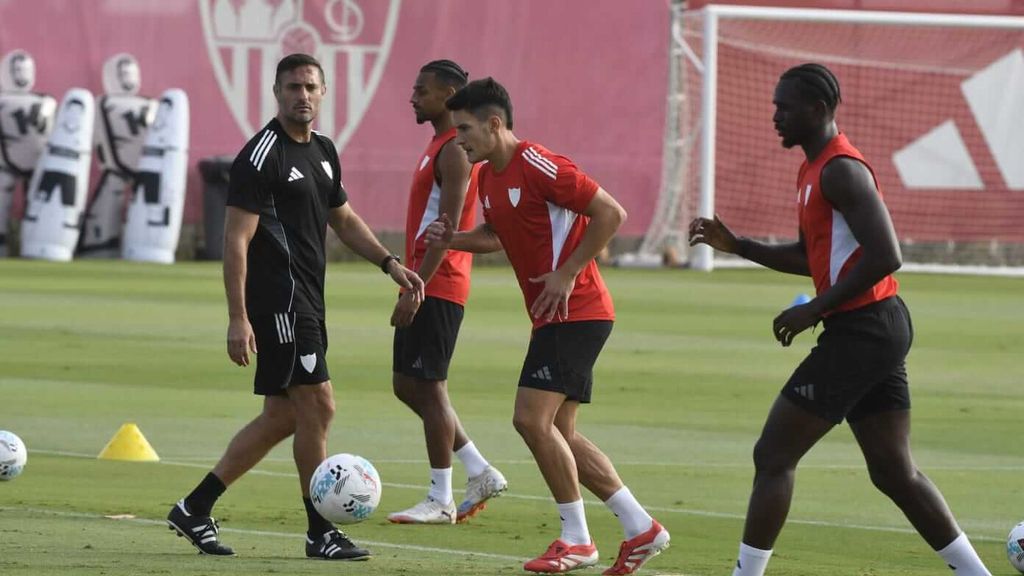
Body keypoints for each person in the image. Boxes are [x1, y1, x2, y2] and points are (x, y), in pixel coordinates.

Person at [688, 63, 992, 576]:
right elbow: (816, 256)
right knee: (895, 473)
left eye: (784, 107)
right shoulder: (812, 170)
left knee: (773, 455)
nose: (775, 117)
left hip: (865, 329)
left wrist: (815, 308)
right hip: (873, 329)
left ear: (819, 110)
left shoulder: (841, 170)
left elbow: (886, 254)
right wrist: (738, 245)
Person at [166, 53, 424, 561]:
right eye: (292, 87)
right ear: (276, 92)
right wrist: (238, 317)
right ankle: (319, 530)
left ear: (323, 93)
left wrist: (390, 264)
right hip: (280, 303)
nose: (301, 95)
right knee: (320, 405)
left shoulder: (324, 151)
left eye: (310, 86)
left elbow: (344, 221)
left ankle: (195, 508)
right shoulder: (261, 156)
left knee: (283, 416)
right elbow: (235, 241)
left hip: (309, 299)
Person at [426, 77, 670, 575]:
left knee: (530, 420)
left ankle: (577, 539)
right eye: (455, 132)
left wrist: (567, 272)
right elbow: (497, 236)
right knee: (561, 431)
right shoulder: (489, 178)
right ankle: (640, 528)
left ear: (496, 124)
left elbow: (610, 212)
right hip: (556, 317)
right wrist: (454, 239)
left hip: (577, 309)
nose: (459, 140)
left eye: (466, 129)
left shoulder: (536, 162)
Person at [386, 59, 507, 525]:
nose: (413, 97)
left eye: (423, 90)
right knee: (406, 384)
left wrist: (418, 284)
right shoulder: (437, 145)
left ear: (449, 94)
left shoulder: (454, 151)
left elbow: (449, 227)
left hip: (439, 282)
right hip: (424, 277)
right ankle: (479, 470)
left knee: (429, 387)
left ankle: (441, 498)